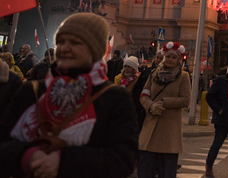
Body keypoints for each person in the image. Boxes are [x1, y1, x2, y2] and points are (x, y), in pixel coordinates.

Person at [0, 12, 138, 178]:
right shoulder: (32, 91)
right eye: (60, 42)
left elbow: (123, 160)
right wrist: (27, 157)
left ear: (94, 49)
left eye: (74, 42)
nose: (64, 48)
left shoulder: (114, 98)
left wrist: (63, 161)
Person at [138, 42, 191, 178]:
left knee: (166, 172)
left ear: (179, 60)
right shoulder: (154, 74)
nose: (170, 60)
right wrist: (150, 105)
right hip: (150, 127)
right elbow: (144, 94)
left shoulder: (183, 76)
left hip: (169, 133)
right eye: (168, 57)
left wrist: (164, 103)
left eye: (174, 58)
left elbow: (186, 100)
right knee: (144, 171)